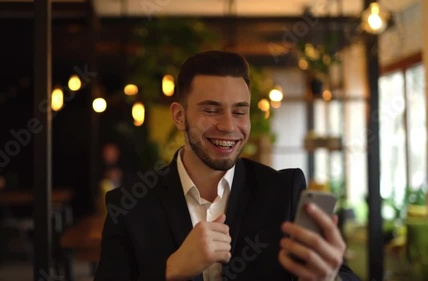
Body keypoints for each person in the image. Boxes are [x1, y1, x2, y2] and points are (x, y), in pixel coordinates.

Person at [94, 50, 359, 281]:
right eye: (211, 110)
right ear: (179, 115)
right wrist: (171, 269)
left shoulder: (284, 192)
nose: (229, 126)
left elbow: (340, 274)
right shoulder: (128, 205)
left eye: (240, 111)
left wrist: (329, 276)